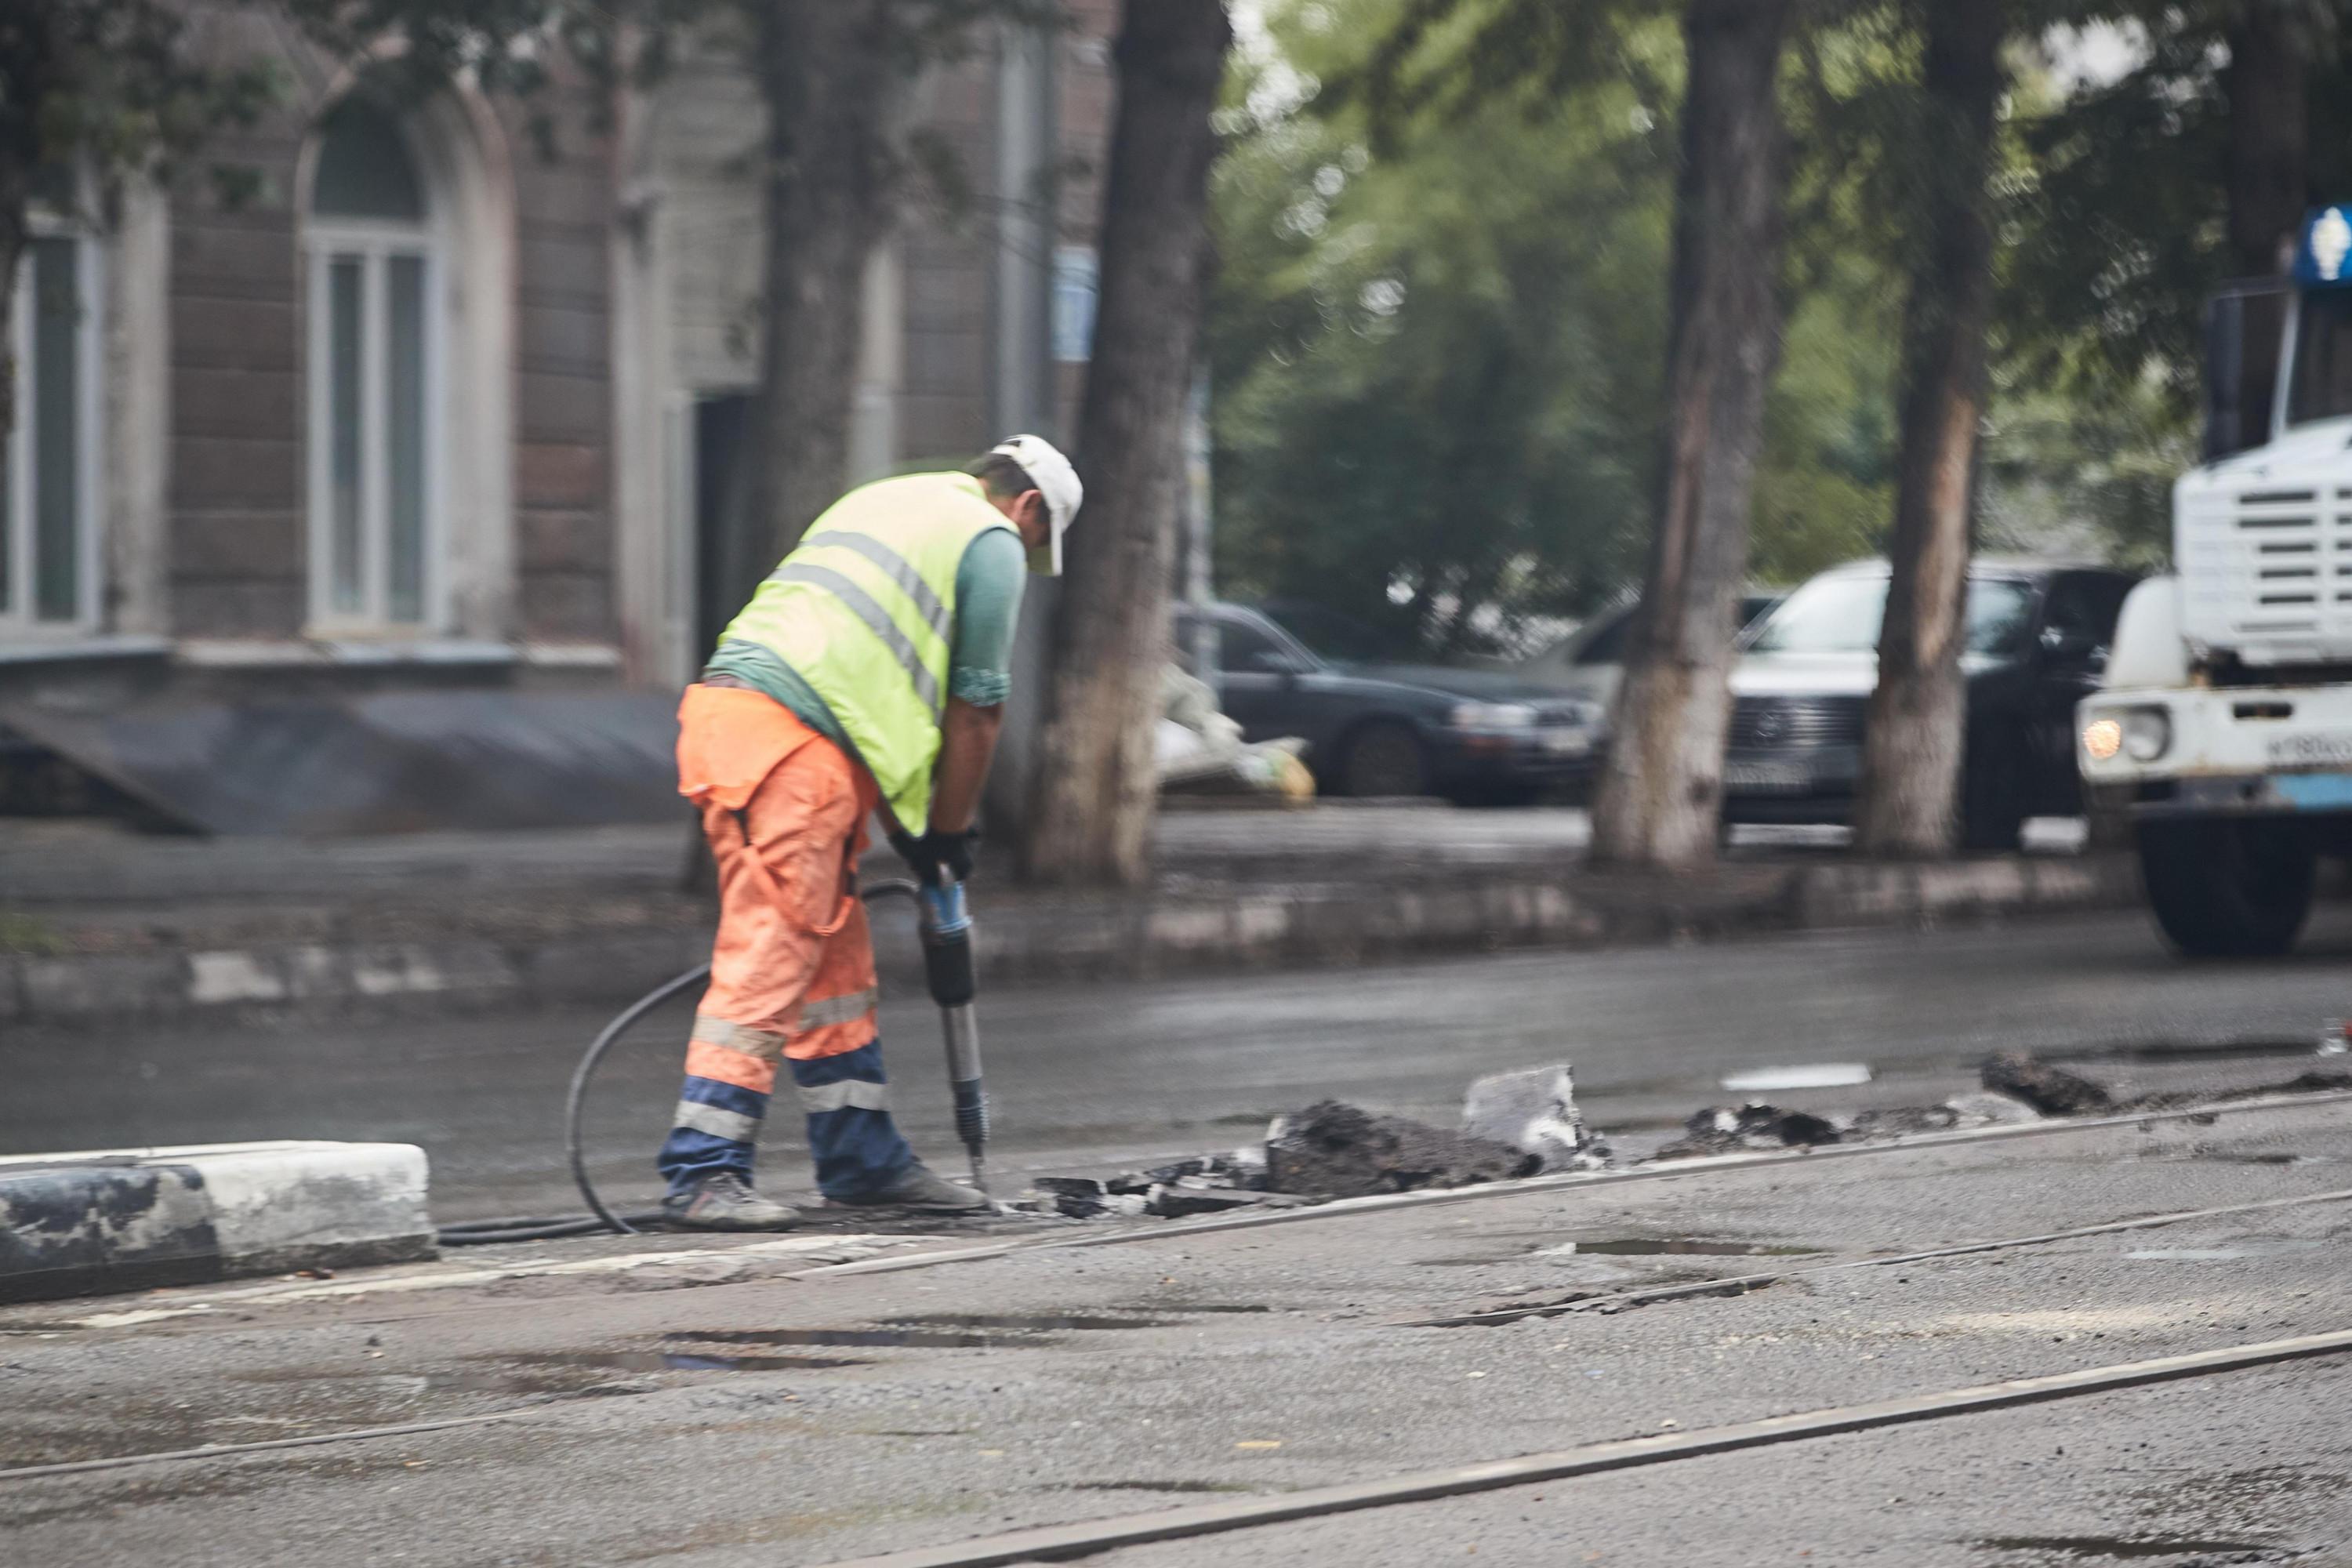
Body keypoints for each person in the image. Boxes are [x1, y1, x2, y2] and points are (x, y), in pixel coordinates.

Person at [655, 436, 1082, 1229]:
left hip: (747, 723)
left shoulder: (888, 502)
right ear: (1027, 509)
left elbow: (862, 684)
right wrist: (948, 835)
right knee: (774, 946)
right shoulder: (987, 539)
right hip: (790, 746)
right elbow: (979, 706)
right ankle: (702, 1168)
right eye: (1035, 543)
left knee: (831, 959)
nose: (1024, 556)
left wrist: (915, 831)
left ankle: (861, 1159)